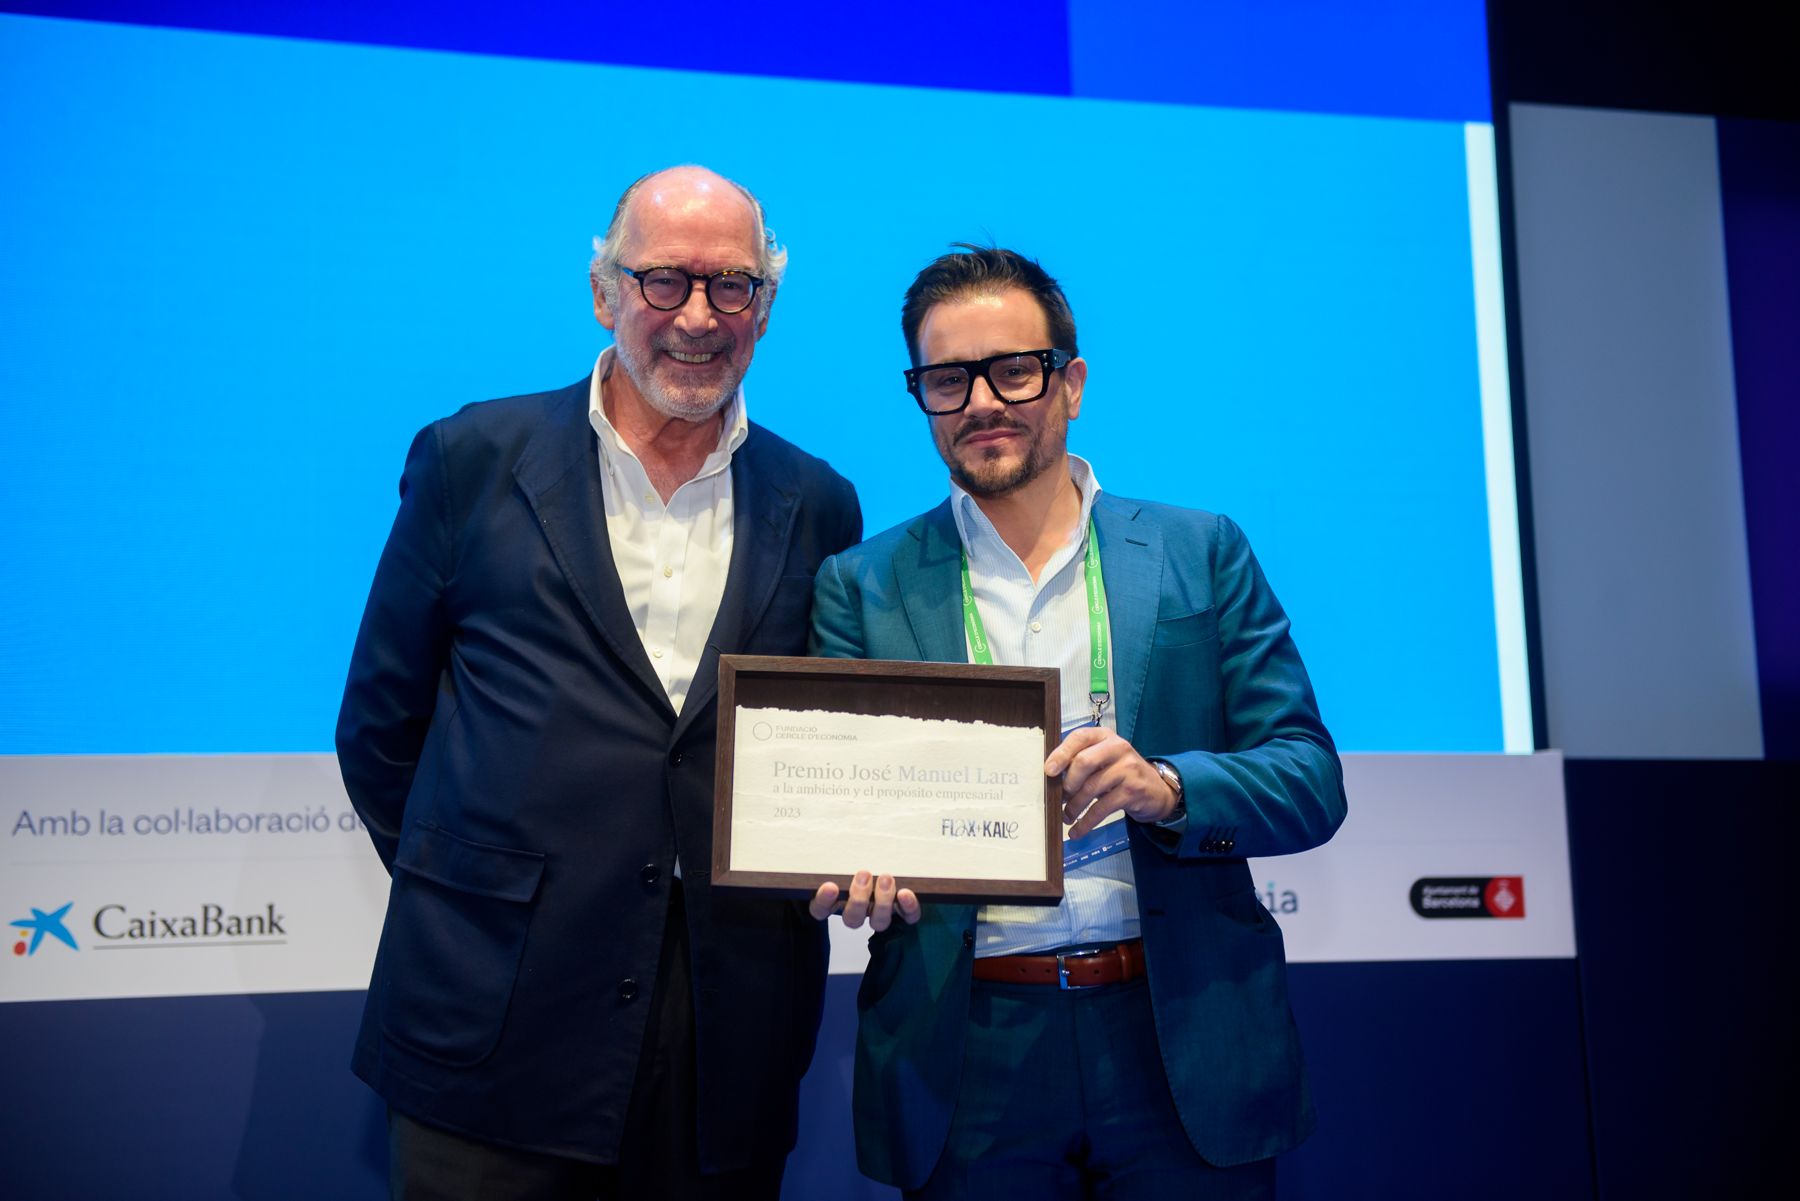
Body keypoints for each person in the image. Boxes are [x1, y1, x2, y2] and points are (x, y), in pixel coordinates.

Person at [335, 165, 861, 1199]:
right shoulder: (471, 458)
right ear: (603, 291)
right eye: (665, 281)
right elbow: (379, 728)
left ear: (768, 304)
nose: (699, 317)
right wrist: (484, 899)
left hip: (724, 1041)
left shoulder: (818, 500)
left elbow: (819, 742)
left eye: (734, 286)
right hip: (488, 1025)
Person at [807, 246, 1346, 1198]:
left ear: (1071, 383)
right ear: (922, 395)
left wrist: (1166, 785)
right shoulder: (864, 585)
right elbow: (843, 818)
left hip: (1176, 1027)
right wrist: (850, 871)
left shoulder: (1198, 551)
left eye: (1013, 369)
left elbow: (1309, 779)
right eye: (947, 378)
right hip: (968, 1049)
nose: (981, 400)